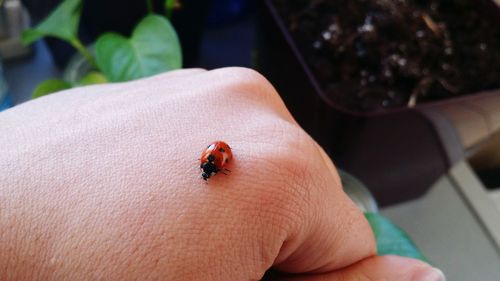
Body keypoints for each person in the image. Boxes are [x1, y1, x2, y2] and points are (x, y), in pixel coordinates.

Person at [0, 68, 445, 280]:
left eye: (211, 167)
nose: (211, 168)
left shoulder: (219, 160)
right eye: (211, 166)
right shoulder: (213, 160)